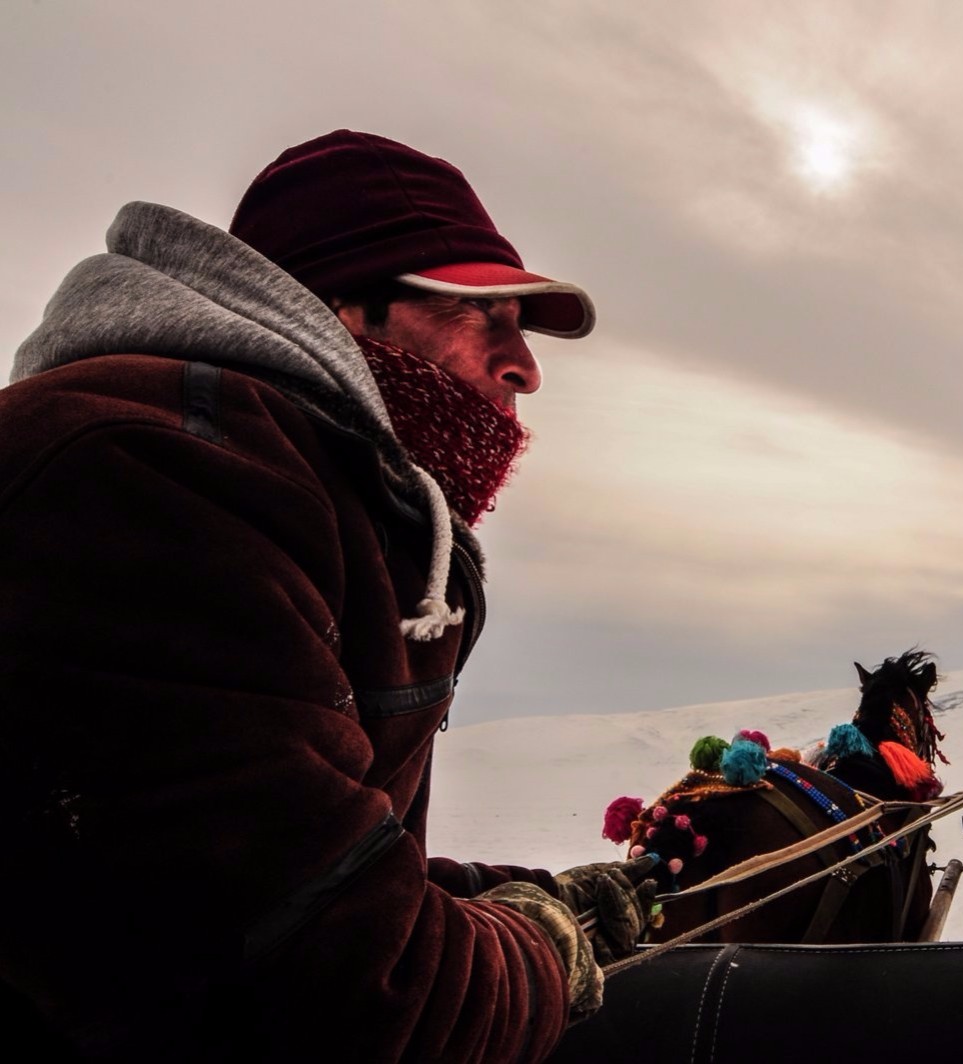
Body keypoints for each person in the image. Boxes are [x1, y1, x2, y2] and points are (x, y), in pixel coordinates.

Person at [0, 130, 655, 1062]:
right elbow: (342, 995)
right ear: (338, 308)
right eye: (481, 315)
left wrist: (511, 895)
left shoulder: (312, 492)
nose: (525, 366)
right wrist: (544, 951)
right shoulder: (149, 477)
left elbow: (264, 869)